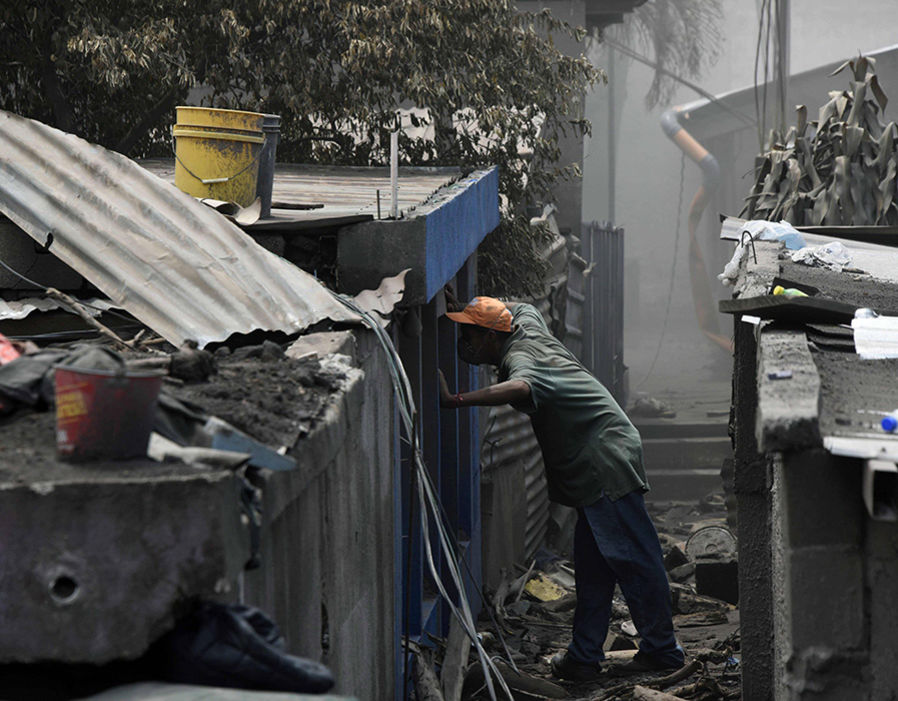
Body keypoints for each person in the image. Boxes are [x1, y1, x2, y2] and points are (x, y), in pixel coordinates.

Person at [438, 295, 684, 682]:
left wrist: (457, 400)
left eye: (470, 333)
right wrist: (470, 303)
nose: (464, 341)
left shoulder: (522, 359)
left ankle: (662, 651)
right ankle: (584, 657)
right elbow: (519, 305)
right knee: (594, 569)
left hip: (604, 459)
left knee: (635, 560)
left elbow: (520, 386)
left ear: (490, 337)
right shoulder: (525, 324)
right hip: (599, 457)